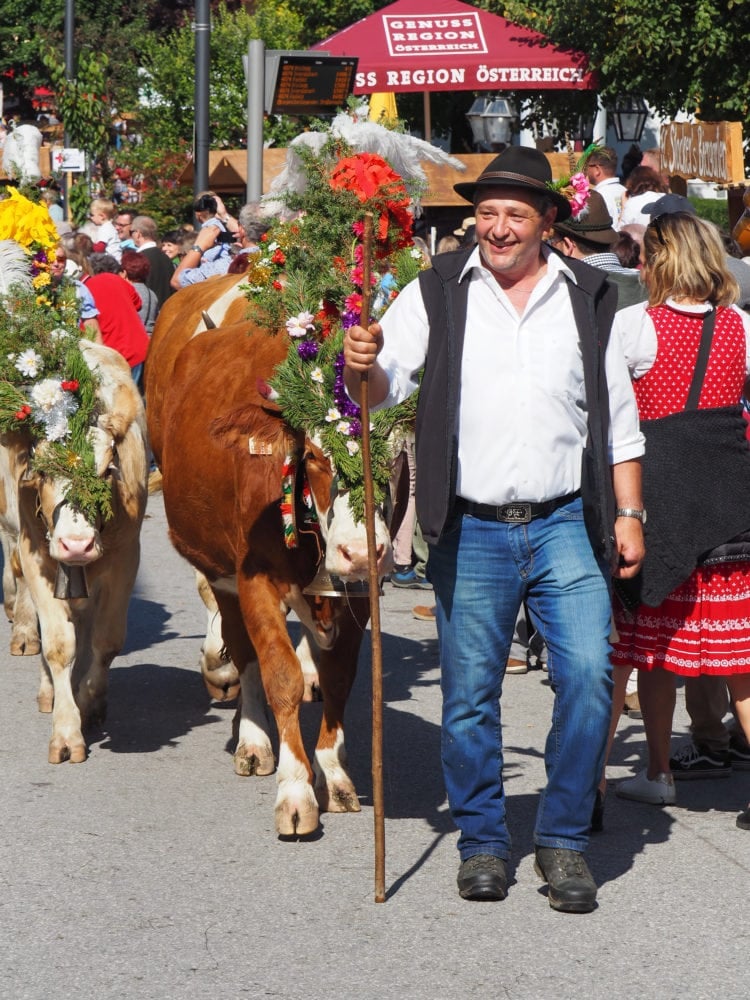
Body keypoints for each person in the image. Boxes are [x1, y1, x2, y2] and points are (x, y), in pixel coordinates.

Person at [343, 146, 645, 912]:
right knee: (470, 695)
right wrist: (360, 364)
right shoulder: (438, 290)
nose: (498, 227)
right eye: (486, 212)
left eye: (515, 213)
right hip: (470, 527)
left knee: (587, 678)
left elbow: (619, 419)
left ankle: (563, 838)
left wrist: (632, 513)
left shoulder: (589, 296)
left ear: (549, 222)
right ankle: (483, 839)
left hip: (566, 523)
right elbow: (380, 389)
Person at [609, 212, 750, 832]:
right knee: (743, 658)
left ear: (658, 260)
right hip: (729, 500)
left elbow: (612, 418)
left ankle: (656, 772)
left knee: (649, 647)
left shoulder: (634, 326)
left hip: (660, 499)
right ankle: (680, 769)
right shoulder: (743, 328)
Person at [131, 215, 175, 311]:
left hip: (145, 313)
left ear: (138, 233)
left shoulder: (138, 260)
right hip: (167, 313)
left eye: (131, 232)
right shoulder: (166, 259)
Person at [584, 146, 626, 230]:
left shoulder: (596, 196)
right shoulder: (626, 191)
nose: (585, 171)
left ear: (597, 170)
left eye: (587, 167)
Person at [120, 249, 159, 335]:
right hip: (150, 341)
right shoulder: (152, 294)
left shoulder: (124, 292)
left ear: (124, 273)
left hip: (133, 340)